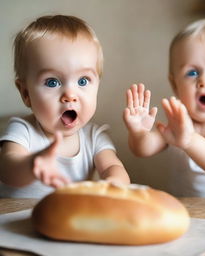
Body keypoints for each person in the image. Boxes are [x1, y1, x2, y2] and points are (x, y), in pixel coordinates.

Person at [0, 15, 130, 198]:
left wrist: (113, 182)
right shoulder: (23, 130)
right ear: (26, 93)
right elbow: (8, 169)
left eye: (83, 81)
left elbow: (113, 167)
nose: (70, 95)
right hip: (15, 221)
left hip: (64, 220)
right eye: (52, 82)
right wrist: (33, 164)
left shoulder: (94, 137)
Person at [123, 18, 205, 197]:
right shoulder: (178, 123)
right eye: (192, 73)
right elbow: (143, 149)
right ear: (175, 85)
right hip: (193, 209)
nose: (204, 82)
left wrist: (189, 140)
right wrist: (138, 133)